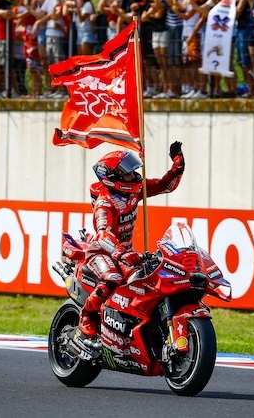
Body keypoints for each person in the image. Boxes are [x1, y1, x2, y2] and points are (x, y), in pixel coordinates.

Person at [76, 142, 186, 342]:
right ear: (112, 177)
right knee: (113, 279)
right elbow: (102, 234)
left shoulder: (134, 190)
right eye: (127, 173)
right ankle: (87, 315)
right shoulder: (105, 202)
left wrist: (177, 167)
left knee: (146, 280)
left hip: (127, 253)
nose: (133, 175)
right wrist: (121, 253)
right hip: (102, 253)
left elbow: (164, 186)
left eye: (132, 171)